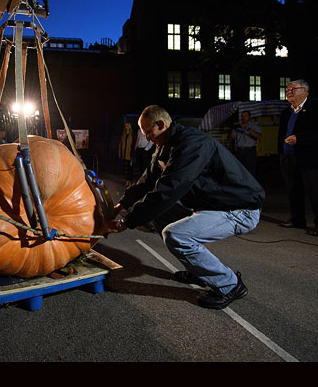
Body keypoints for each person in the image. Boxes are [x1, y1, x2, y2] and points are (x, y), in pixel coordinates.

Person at [104, 105, 265, 310]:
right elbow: (146, 182)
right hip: (212, 206)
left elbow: (168, 190)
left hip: (239, 209)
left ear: (161, 124)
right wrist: (120, 205)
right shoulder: (165, 146)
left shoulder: (192, 144)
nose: (148, 139)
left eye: (149, 134)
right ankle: (198, 271)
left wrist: (127, 222)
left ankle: (230, 285)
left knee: (176, 235)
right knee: (159, 216)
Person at [277, 79, 318, 236]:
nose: (289, 92)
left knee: (316, 192)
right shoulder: (286, 112)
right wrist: (281, 153)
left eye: (293, 89)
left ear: (305, 91)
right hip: (288, 156)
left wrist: (299, 139)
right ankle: (297, 219)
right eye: (287, 90)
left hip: (312, 158)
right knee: (293, 190)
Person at [229, 110, 261, 177]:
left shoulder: (254, 126)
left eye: (245, 116)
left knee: (250, 171)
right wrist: (233, 129)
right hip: (239, 151)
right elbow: (231, 139)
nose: (243, 118)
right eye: (242, 116)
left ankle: (251, 186)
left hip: (249, 151)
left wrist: (248, 129)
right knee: (239, 171)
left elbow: (259, 137)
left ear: (249, 117)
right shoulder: (237, 127)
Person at [119, 122, 134, 188]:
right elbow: (120, 145)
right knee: (126, 169)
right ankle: (126, 182)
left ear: (129, 127)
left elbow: (133, 145)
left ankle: (130, 182)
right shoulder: (123, 135)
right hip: (124, 154)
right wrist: (120, 153)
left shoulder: (132, 135)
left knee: (130, 169)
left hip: (130, 154)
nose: (126, 127)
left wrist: (133, 154)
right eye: (125, 126)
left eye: (127, 126)